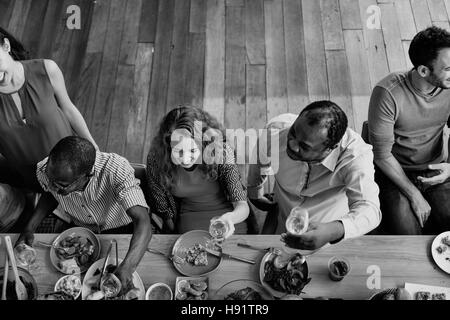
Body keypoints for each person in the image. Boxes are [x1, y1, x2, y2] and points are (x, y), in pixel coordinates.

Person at [16, 136, 151, 292]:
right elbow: (49, 193)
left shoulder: (116, 169)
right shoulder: (46, 169)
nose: (52, 186)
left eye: (61, 185)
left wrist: (128, 267)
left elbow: (143, 222)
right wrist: (30, 228)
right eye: (49, 179)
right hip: (80, 228)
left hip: (122, 229)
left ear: (87, 175)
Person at [247, 101, 381, 250]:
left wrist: (333, 231)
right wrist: (254, 194)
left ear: (329, 149)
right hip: (281, 211)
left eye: (304, 146)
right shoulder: (276, 130)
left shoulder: (355, 156)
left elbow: (370, 210)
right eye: (293, 133)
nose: (291, 145)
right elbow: (259, 161)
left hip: (324, 228)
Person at [368, 26, 450, 235]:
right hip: (395, 172)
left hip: (436, 168)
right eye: (448, 69)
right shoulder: (388, 93)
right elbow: (382, 155)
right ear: (423, 71)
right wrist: (414, 194)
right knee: (407, 238)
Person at [0, 27, 98, 192]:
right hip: (27, 170)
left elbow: (68, 108)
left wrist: (94, 148)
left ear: (6, 46)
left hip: (68, 160)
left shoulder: (47, 69)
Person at [146, 106, 249, 235]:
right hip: (190, 217)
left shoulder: (221, 152)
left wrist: (230, 218)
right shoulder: (156, 160)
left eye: (193, 151)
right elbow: (163, 207)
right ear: (167, 146)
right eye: (179, 151)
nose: (186, 159)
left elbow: (242, 205)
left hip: (228, 215)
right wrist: (171, 232)